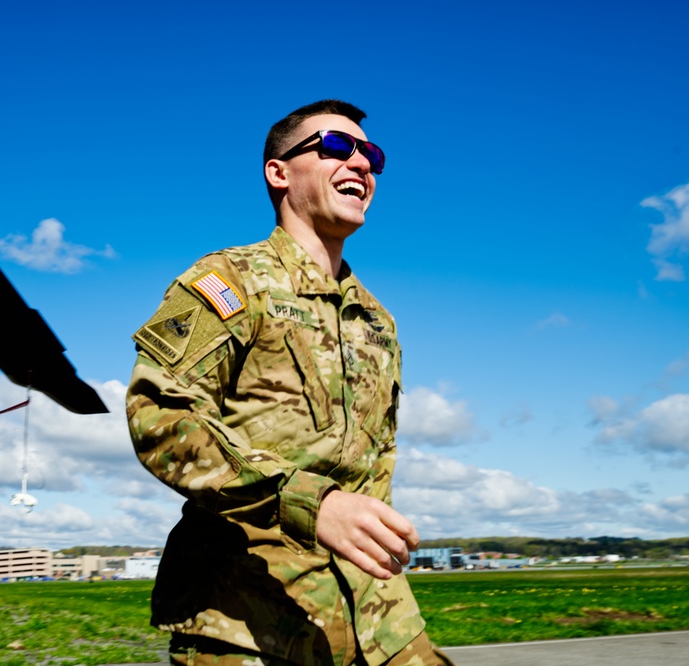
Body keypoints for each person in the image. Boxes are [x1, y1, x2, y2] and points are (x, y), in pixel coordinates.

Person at [126, 100, 452, 666]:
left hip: (383, 626)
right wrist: (309, 503)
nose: (360, 163)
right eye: (334, 147)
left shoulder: (377, 318)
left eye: (370, 153)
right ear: (279, 172)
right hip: (250, 622)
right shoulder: (229, 282)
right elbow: (160, 417)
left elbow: (376, 465)